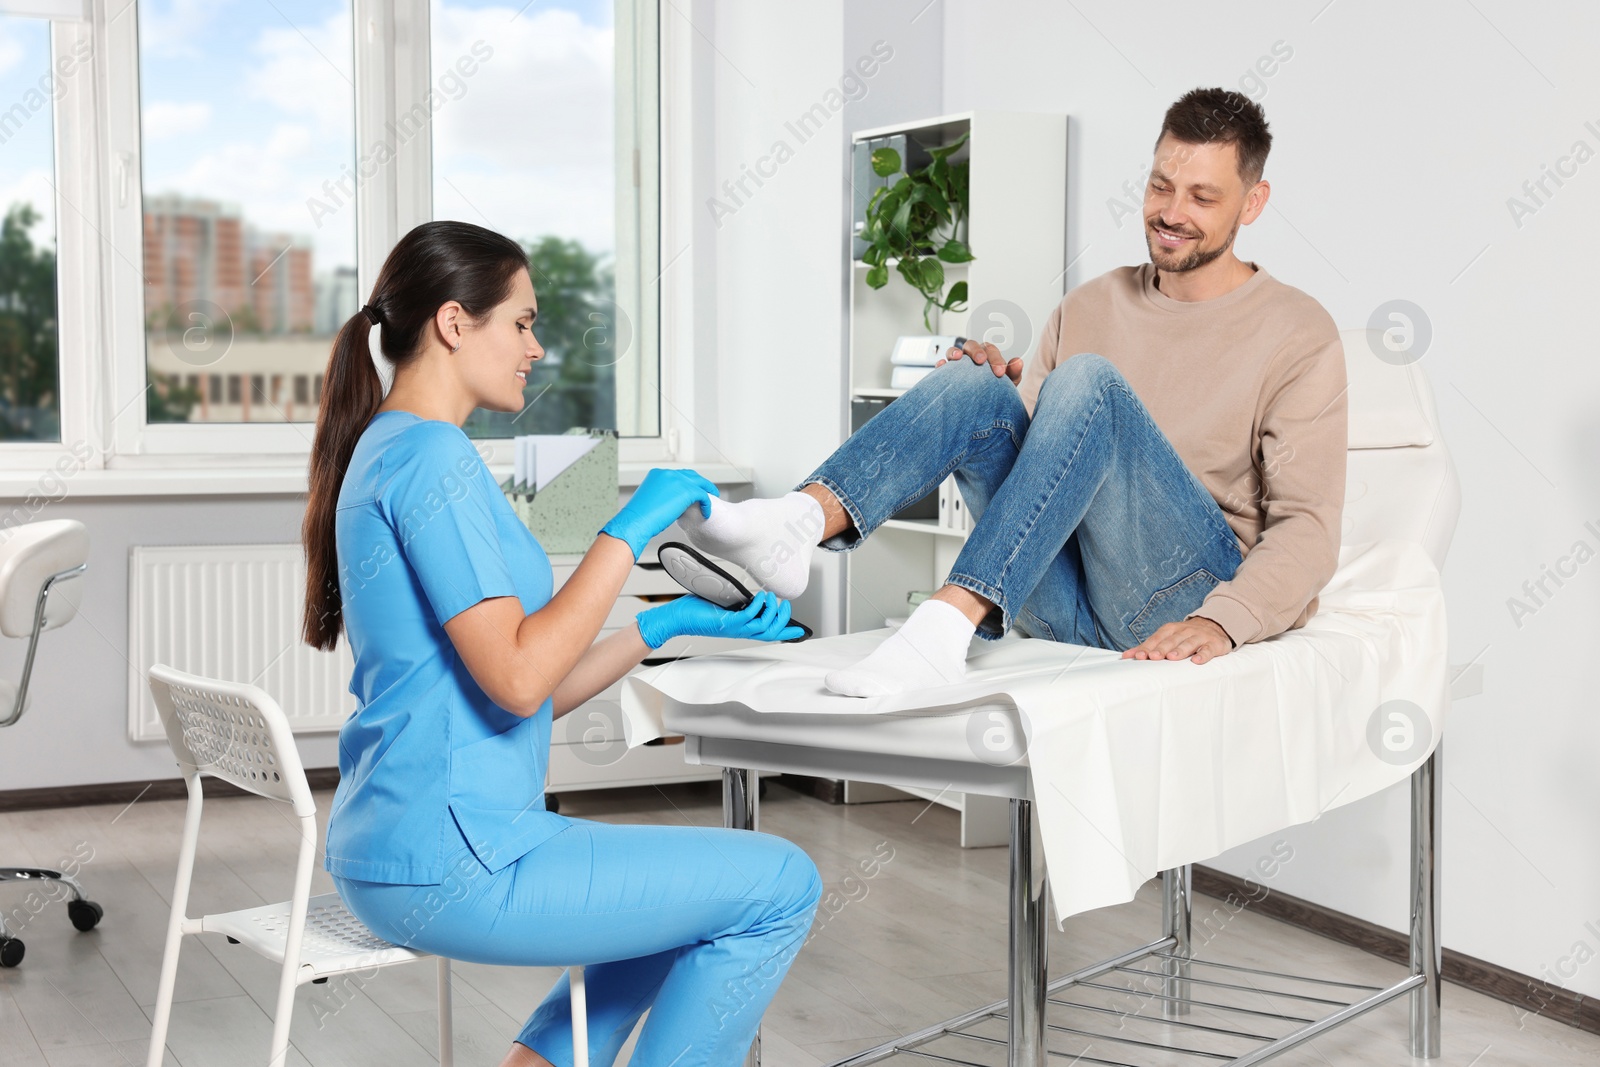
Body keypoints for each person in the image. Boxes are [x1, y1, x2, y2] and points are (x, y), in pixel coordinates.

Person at [299, 220, 822, 1067]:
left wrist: (662, 627)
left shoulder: (389, 448)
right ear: (455, 323)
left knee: (682, 897)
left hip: (400, 844)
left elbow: (516, 686)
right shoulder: (433, 460)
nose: (535, 346)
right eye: (523, 321)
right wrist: (627, 529)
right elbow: (515, 678)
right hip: (458, 859)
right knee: (780, 883)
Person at [677, 86, 1348, 697]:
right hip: (1065, 597)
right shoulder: (1092, 304)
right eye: (1160, 186)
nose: (1171, 213)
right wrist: (993, 395)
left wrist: (1224, 621)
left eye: (1203, 198)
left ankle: (944, 624)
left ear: (1252, 203)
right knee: (975, 375)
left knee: (1088, 379)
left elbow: (1309, 530)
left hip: (1182, 597)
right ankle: (797, 522)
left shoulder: (1297, 331)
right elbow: (1043, 475)